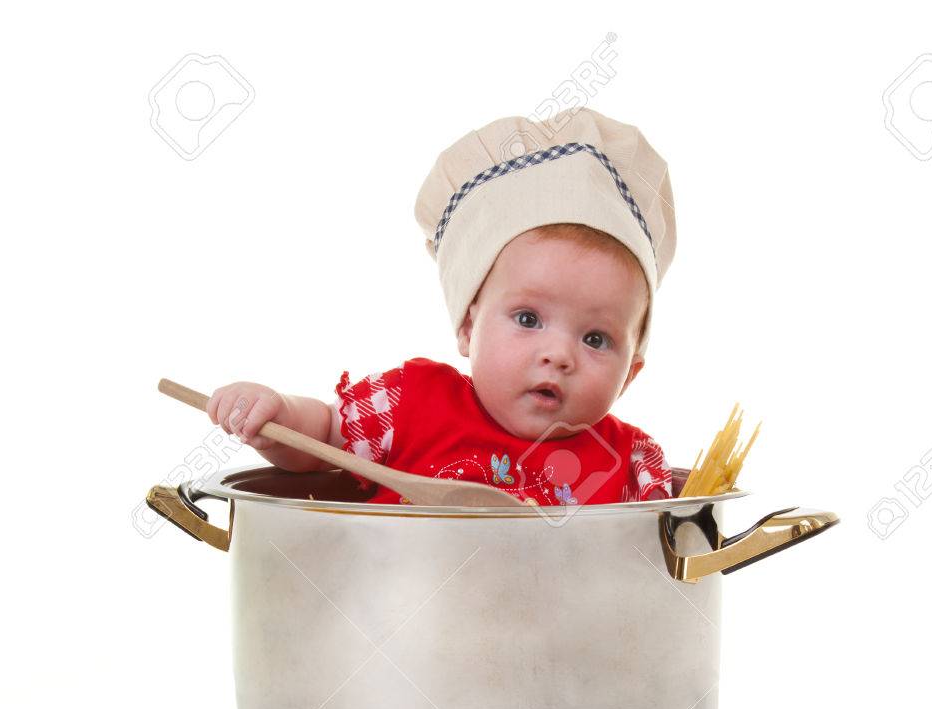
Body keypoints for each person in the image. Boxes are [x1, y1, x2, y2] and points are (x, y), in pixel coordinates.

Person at [206, 106, 678, 506]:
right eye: (528, 319)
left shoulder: (631, 464)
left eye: (595, 338)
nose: (558, 355)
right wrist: (278, 416)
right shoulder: (410, 405)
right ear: (469, 326)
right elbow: (324, 437)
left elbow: (665, 553)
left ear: (629, 374)